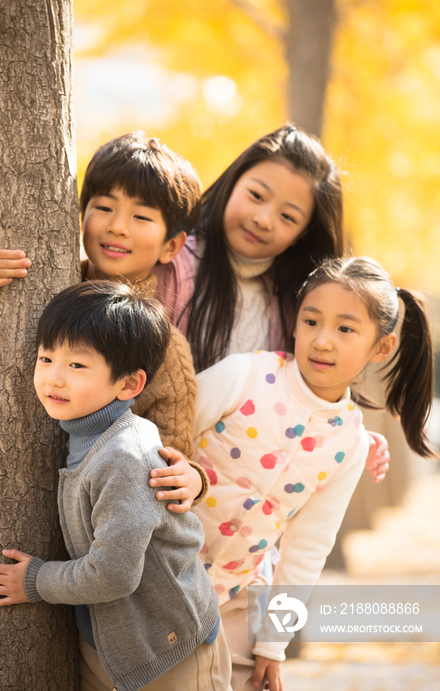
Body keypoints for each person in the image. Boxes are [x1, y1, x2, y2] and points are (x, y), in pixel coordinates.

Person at [0, 281, 235, 691]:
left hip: (169, 648)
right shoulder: (86, 431)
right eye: (46, 357)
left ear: (129, 385)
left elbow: (113, 574)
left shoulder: (123, 455)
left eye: (77, 366)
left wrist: (35, 581)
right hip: (112, 643)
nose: (54, 377)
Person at [191, 256, 436, 691]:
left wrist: (273, 643)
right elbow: (161, 437)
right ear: (295, 324)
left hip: (239, 597)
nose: (323, 340)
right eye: (312, 321)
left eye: (346, 329)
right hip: (161, 576)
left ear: (380, 348)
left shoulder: (350, 443)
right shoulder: (243, 376)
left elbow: (307, 551)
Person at [0, 131, 210, 511]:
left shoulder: (164, 345)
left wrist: (193, 481)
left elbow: (172, 460)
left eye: (142, 216)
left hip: (88, 521)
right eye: (104, 207)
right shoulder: (42, 279)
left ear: (172, 245)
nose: (118, 226)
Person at [153, 124, 389, 484]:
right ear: (233, 182)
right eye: (257, 196)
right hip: (155, 470)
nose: (263, 219)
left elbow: (297, 394)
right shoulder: (170, 262)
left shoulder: (296, 307)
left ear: (302, 234)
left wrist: (339, 435)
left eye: (288, 217)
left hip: (230, 499)